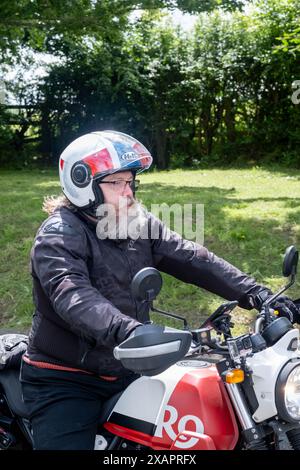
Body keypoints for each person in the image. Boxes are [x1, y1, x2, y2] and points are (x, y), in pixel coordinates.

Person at [20, 130, 299, 450]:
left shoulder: (135, 221)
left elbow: (194, 259)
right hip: (65, 380)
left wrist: (257, 294)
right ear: (84, 184)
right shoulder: (58, 235)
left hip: (130, 366)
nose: (129, 192)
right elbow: (74, 297)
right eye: (117, 183)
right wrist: (132, 331)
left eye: (131, 182)